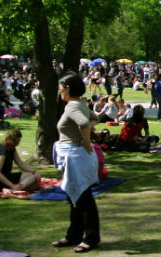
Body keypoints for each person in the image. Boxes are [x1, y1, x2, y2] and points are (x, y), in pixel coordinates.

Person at [51, 71, 100, 253]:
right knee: (75, 197)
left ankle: (90, 238)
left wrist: (85, 140)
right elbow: (94, 118)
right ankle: (74, 235)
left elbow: (86, 124)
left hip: (77, 155)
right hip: (76, 155)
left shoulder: (72, 107)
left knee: (82, 198)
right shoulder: (79, 104)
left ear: (67, 88)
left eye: (60, 86)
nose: (59, 89)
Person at [0, 128, 41, 193]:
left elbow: (20, 163)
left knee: (36, 182)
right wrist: (12, 185)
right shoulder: (2, 151)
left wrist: (34, 171)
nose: (19, 143)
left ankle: (18, 188)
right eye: (18, 141)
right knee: (32, 179)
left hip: (7, 176)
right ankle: (16, 188)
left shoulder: (11, 148)